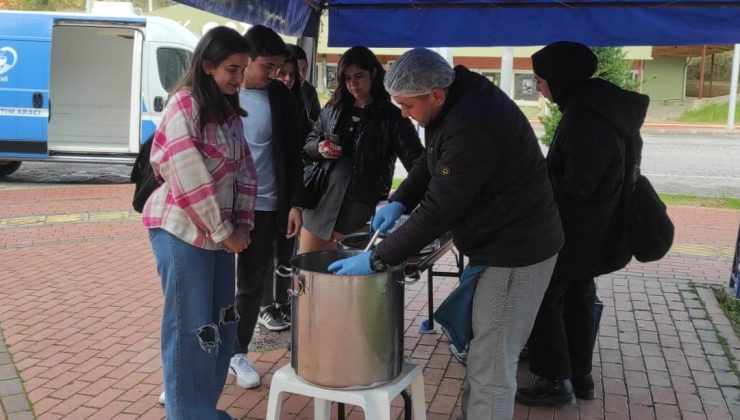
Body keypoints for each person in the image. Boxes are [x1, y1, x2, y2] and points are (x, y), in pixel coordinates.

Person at [328, 48, 565, 420]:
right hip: (498, 243)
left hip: (517, 252)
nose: (404, 114)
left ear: (435, 94)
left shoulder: (471, 124)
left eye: (407, 106)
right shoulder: (454, 98)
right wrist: (399, 201)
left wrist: (376, 258)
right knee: (484, 353)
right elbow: (430, 161)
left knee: (491, 365)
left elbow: (439, 210)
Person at [516, 41, 649, 407]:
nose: (540, 88)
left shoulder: (586, 117)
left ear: (561, 77)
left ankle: (554, 379)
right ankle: (579, 374)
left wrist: (538, 181)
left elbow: (577, 184)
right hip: (596, 228)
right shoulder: (602, 107)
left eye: (541, 80)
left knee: (547, 298)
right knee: (577, 297)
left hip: (575, 229)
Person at [142, 26, 257, 419]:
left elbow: (246, 173)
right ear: (207, 65)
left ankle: (202, 409)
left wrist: (242, 227)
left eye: (243, 69)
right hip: (180, 230)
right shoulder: (183, 105)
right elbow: (189, 178)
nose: (239, 78)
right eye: (232, 69)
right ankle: (187, 413)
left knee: (221, 324)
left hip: (220, 236)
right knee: (189, 328)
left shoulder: (229, 113)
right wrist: (227, 233)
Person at [230, 25, 305, 389]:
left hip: (266, 206)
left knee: (251, 283)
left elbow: (293, 154)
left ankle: (236, 352)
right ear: (247, 59)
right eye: (268, 66)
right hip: (222, 208)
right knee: (208, 284)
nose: (275, 74)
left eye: (278, 67)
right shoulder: (222, 93)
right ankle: (195, 359)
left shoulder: (280, 97)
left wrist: (294, 204)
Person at [297, 46, 424, 253]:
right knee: (308, 274)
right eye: (347, 78)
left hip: (362, 207)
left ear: (373, 74)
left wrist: (399, 202)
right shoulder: (333, 108)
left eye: (359, 76)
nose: (353, 84)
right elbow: (310, 142)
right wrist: (320, 147)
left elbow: (418, 163)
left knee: (351, 280)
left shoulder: (392, 117)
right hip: (320, 204)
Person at [255, 48, 312, 335]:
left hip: (286, 194)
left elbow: (297, 154)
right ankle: (264, 307)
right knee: (262, 256)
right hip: (257, 200)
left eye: (295, 72)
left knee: (286, 252)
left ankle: (281, 302)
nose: (288, 78)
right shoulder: (256, 97)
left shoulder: (296, 99)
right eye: (281, 71)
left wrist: (296, 203)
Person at [286, 43, 321, 123]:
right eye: (296, 69)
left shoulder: (309, 91)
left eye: (304, 69)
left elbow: (317, 121)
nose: (301, 75)